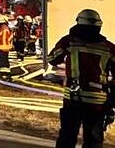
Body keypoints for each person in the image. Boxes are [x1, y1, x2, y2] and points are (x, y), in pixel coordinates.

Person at [49, 9, 115, 148]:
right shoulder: (109, 48)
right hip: (97, 102)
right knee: (93, 140)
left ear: (79, 23)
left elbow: (52, 59)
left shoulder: (69, 41)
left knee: (67, 137)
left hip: (73, 98)